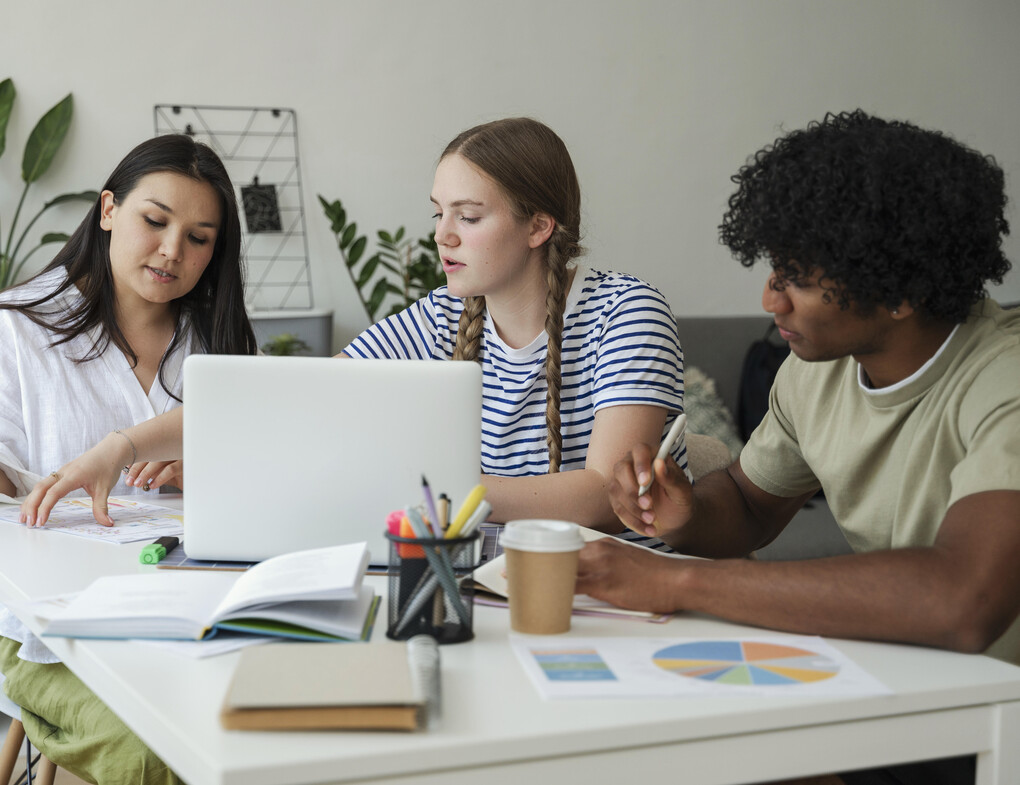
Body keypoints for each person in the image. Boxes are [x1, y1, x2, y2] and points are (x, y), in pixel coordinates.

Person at [577, 110, 1020, 785]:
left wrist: (676, 578)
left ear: (901, 290)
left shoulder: (1004, 378)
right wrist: (686, 512)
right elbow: (752, 505)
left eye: (795, 279)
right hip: (903, 689)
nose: (769, 298)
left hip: (992, 717)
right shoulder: (814, 369)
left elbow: (963, 601)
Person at [0, 133, 257, 784]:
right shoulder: (17, 329)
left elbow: (259, 467)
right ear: (108, 210)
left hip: (205, 615)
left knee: (283, 735)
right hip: (60, 633)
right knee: (165, 753)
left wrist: (204, 470)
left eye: (200, 237)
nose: (173, 250)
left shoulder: (216, 342)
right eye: (155, 221)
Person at [341, 117, 686, 540]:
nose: (441, 235)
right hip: (490, 581)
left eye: (468, 217)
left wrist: (434, 490)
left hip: (619, 587)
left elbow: (605, 495)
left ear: (539, 226)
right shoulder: (440, 317)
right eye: (438, 213)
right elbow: (321, 392)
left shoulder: (626, 312)